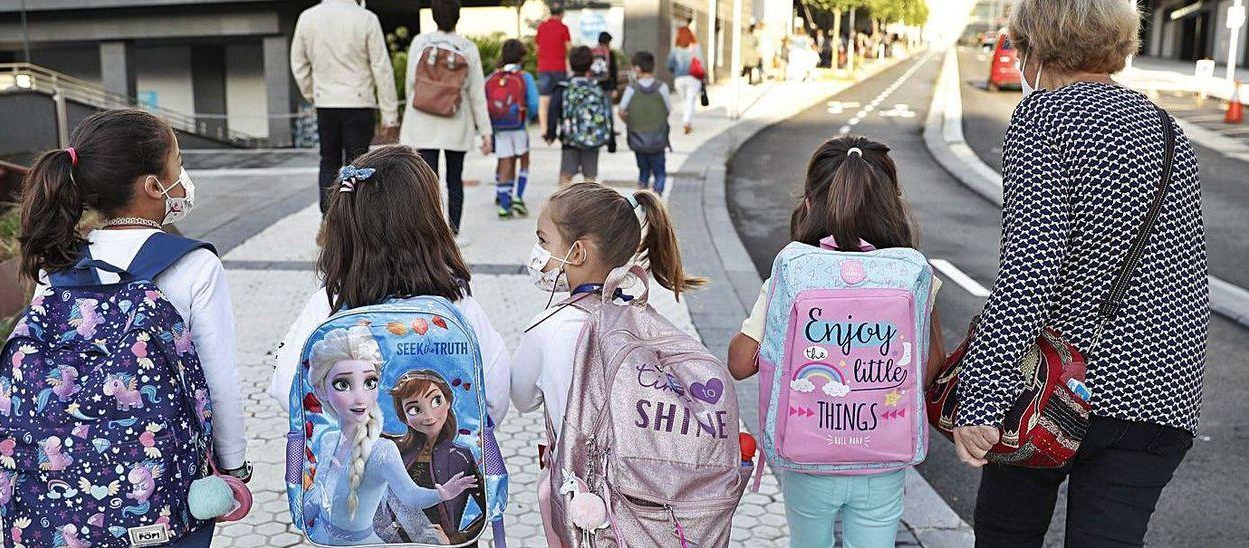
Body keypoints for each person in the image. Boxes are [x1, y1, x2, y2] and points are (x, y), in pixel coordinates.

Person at [952, 1, 1207, 547]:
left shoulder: (1044, 117)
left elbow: (1030, 267)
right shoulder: (1166, 128)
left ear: (1038, 46)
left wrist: (980, 399)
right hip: (1162, 394)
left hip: (1057, 391)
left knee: (1006, 535)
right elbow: (1186, 270)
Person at [15, 108, 250, 547]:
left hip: (67, 494)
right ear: (151, 186)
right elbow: (219, 381)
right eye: (178, 165)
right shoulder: (193, 264)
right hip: (164, 482)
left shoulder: (60, 264)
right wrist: (234, 465)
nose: (183, 177)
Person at [725, 136, 945, 548]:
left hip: (807, 459)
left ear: (809, 203)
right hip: (882, 459)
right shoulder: (913, 274)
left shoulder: (793, 273)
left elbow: (739, 362)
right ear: (892, 204)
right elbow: (930, 367)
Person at [510, 182, 705, 545]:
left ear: (578, 252)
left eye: (544, 240)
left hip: (581, 497)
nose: (538, 252)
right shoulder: (644, 318)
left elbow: (521, 398)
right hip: (647, 496)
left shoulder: (546, 329)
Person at [270, 145, 510, 431]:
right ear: (430, 223)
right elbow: (496, 397)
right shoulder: (458, 306)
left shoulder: (328, 303)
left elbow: (287, 388)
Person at [301, 326, 477, 544]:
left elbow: (409, 495)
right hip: (320, 538)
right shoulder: (328, 440)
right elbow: (319, 497)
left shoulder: (382, 450)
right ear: (320, 390)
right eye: (343, 384)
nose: (360, 398)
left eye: (369, 383)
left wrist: (440, 494)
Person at [291, 0, 399, 214]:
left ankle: (328, 218)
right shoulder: (366, 18)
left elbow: (298, 63)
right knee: (359, 165)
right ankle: (357, 219)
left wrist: (313, 94)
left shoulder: (308, 17)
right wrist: (390, 115)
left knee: (328, 161)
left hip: (326, 102)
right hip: (359, 101)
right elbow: (381, 69)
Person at [401, 0, 492, 247]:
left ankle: (428, 235)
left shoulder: (420, 43)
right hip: (456, 121)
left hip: (422, 122)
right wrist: (486, 131)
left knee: (426, 182)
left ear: (433, 16)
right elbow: (476, 94)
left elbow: (411, 82)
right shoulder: (467, 47)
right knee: (455, 180)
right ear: (458, 17)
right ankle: (453, 234)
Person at [387, 370, 488, 545]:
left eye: (436, 401)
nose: (428, 416)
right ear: (403, 416)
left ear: (448, 401)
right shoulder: (397, 451)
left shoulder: (461, 457)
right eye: (414, 409)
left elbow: (488, 509)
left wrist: (454, 539)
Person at [487, 39, 540, 218]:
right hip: (519, 126)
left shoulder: (494, 77)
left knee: (505, 162)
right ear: (521, 57)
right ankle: (518, 196)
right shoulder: (525, 77)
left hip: (500, 127)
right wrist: (530, 117)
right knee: (523, 160)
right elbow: (533, 104)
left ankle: (504, 204)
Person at [544, 46, 612, 185]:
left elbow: (553, 110)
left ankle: (563, 205)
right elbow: (607, 112)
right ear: (590, 64)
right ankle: (590, 205)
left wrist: (550, 133)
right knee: (590, 179)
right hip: (592, 139)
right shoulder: (596, 87)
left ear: (570, 63)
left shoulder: (564, 87)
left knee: (566, 175)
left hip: (570, 139)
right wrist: (611, 139)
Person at [618, 51, 672, 193]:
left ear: (637, 69)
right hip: (658, 139)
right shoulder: (662, 87)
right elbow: (668, 109)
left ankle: (643, 203)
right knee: (660, 172)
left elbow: (621, 111)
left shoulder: (631, 89)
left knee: (643, 171)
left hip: (638, 139)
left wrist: (629, 121)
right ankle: (656, 201)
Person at [534, 0, 572, 133]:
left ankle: (544, 129)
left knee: (544, 99)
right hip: (559, 68)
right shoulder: (563, 28)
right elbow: (569, 49)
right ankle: (560, 126)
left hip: (544, 68)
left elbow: (536, 48)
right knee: (561, 97)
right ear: (562, 13)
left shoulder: (541, 27)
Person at [667, 26, 704, 135]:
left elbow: (669, 64)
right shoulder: (696, 48)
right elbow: (701, 63)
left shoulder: (675, 50)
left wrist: (676, 71)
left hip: (679, 79)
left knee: (685, 101)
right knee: (690, 101)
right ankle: (686, 122)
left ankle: (687, 120)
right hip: (693, 78)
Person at [591, 31, 620, 153]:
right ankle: (611, 143)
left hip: (594, 86)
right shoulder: (610, 53)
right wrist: (615, 87)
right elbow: (614, 71)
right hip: (607, 87)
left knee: (596, 112)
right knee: (608, 114)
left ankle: (595, 139)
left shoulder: (593, 52)